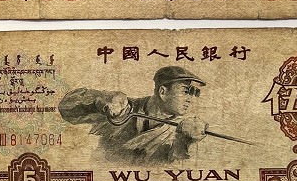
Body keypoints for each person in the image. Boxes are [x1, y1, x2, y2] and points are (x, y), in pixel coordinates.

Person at [58, 66, 209, 164]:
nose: (191, 99)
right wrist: (100, 100)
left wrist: (185, 141)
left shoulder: (185, 131)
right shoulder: (122, 109)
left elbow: (171, 171)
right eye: (186, 91)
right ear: (163, 92)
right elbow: (66, 108)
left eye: (195, 93)